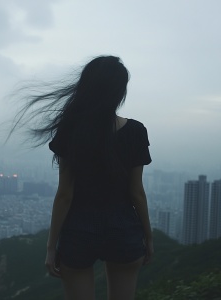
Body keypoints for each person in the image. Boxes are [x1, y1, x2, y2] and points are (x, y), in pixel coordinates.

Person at [9, 55, 153, 300]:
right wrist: (148, 238)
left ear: (86, 87)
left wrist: (51, 247)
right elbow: (136, 192)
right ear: (119, 91)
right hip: (123, 227)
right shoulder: (136, 131)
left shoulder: (71, 129)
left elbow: (65, 194)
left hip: (79, 230)